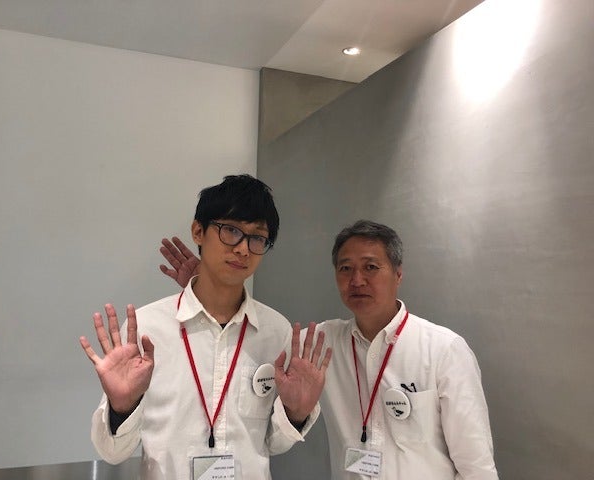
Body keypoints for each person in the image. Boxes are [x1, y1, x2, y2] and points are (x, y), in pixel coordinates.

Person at [160, 220, 498, 479]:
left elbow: (477, 467)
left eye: (371, 267)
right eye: (345, 268)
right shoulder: (324, 343)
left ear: (398, 274)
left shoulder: (443, 350)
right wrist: (209, 290)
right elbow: (260, 339)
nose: (357, 280)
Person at [80, 174, 332, 480]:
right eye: (231, 231)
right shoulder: (148, 328)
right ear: (198, 231)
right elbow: (112, 452)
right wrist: (122, 407)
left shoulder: (275, 331)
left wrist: (296, 414)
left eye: (257, 238)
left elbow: (272, 444)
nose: (243, 249)